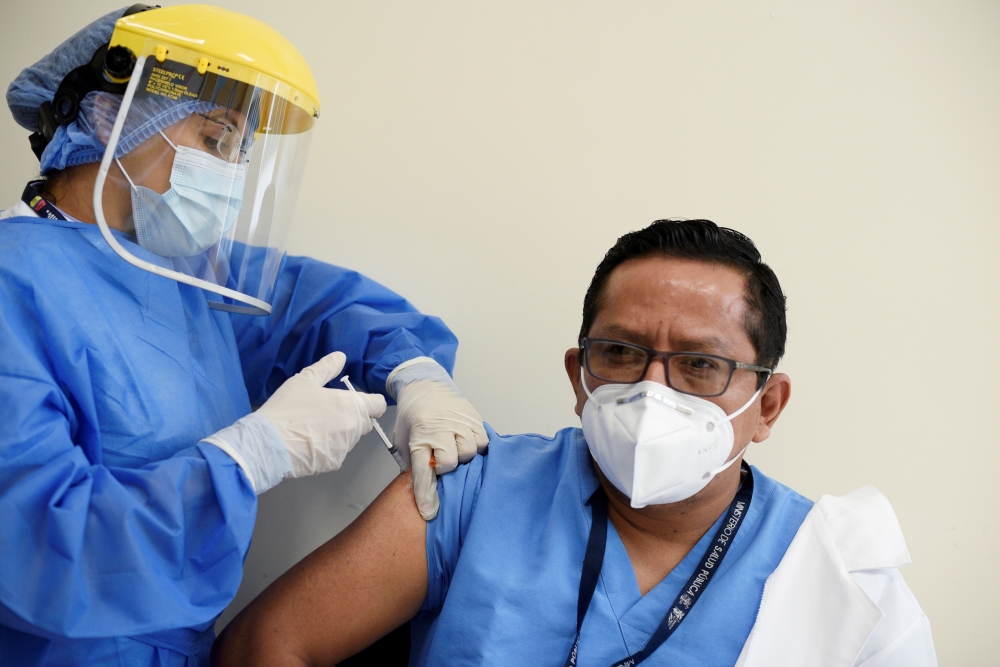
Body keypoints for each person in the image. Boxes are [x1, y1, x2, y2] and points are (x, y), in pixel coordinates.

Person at [213, 219, 938, 667]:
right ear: (578, 373)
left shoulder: (843, 580)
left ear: (766, 403)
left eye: (700, 364)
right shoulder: (471, 488)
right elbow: (265, 647)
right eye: (620, 352)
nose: (655, 389)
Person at [0, 5, 487, 666]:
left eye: (240, 152)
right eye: (217, 139)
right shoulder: (15, 282)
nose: (230, 175)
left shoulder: (188, 281)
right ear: (112, 117)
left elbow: (327, 308)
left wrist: (417, 375)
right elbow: (31, 546)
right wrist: (248, 455)